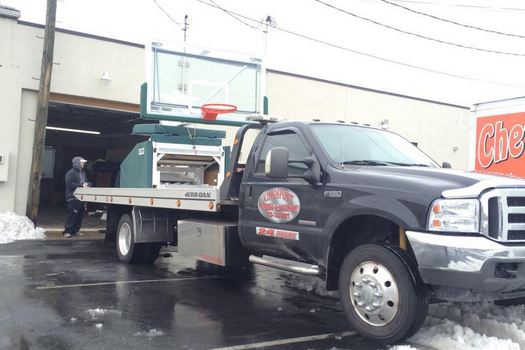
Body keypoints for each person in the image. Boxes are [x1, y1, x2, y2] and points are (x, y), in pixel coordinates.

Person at [64, 156, 90, 238]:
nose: (83, 164)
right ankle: (67, 231)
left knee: (79, 215)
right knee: (72, 215)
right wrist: (81, 185)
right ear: (77, 163)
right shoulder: (70, 173)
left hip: (81, 198)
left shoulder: (83, 173)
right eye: (82, 162)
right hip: (73, 198)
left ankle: (76, 230)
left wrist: (88, 184)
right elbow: (69, 184)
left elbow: (87, 181)